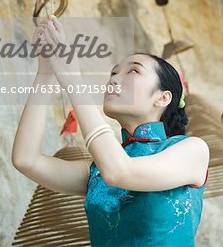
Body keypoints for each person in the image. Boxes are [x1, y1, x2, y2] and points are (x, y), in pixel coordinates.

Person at [11, 15, 210, 247]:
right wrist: (45, 72)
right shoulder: (97, 170)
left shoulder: (192, 150)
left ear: (162, 97)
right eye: (114, 73)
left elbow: (120, 171)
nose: (114, 79)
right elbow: (26, 160)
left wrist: (73, 80)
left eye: (133, 71)